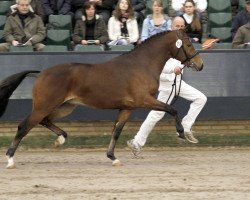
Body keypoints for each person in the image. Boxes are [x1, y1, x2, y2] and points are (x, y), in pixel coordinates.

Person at [127, 16, 207, 156]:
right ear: (172, 27)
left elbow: (185, 61)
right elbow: (157, 67)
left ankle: (186, 126)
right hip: (168, 85)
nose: (180, 29)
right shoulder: (165, 44)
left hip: (177, 83)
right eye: (177, 26)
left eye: (182, 26)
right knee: (155, 115)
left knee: (201, 98)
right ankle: (137, 142)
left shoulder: (182, 43)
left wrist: (191, 61)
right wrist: (173, 70)